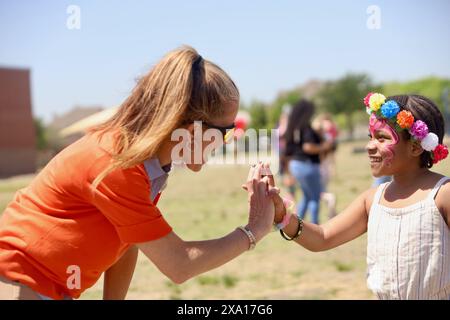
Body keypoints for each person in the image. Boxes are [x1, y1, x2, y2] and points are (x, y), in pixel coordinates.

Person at [0, 46, 276, 300]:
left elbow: (129, 238)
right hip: (16, 282)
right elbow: (180, 264)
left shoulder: (146, 163)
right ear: (193, 131)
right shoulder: (117, 163)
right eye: (225, 134)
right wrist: (253, 230)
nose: (227, 142)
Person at [271, 93, 450, 299]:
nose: (369, 146)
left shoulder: (442, 195)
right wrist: (281, 214)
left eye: (382, 138)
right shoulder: (372, 200)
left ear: (416, 146)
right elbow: (322, 238)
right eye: (370, 137)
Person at [284, 100, 334, 224]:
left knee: (306, 196)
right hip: (308, 165)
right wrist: (324, 146)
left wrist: (288, 173)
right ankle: (315, 225)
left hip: (296, 165)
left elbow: (287, 152)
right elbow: (308, 147)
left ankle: (296, 224)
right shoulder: (305, 129)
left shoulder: (293, 128)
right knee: (315, 197)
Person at [312, 114, 338, 219]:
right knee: (325, 195)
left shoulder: (326, 139)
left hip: (324, 170)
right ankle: (332, 215)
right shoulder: (320, 140)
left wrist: (333, 167)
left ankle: (332, 215)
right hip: (321, 170)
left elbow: (330, 154)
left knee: (321, 194)